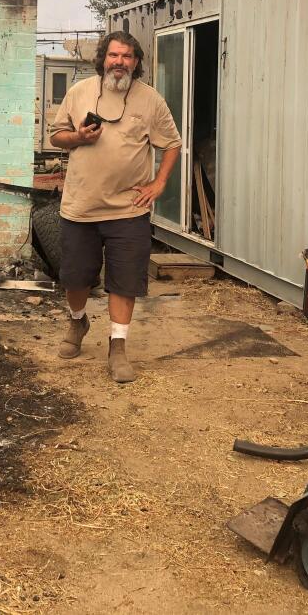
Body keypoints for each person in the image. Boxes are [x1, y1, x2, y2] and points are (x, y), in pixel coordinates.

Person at [48, 31, 182, 382]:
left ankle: (118, 346)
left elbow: (171, 144)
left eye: (127, 56)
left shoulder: (150, 100)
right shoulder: (79, 93)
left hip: (128, 209)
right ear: (103, 59)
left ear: (136, 62)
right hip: (81, 207)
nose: (119, 62)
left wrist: (159, 183)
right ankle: (77, 322)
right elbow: (55, 136)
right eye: (113, 55)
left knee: (124, 281)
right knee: (75, 278)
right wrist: (78, 137)